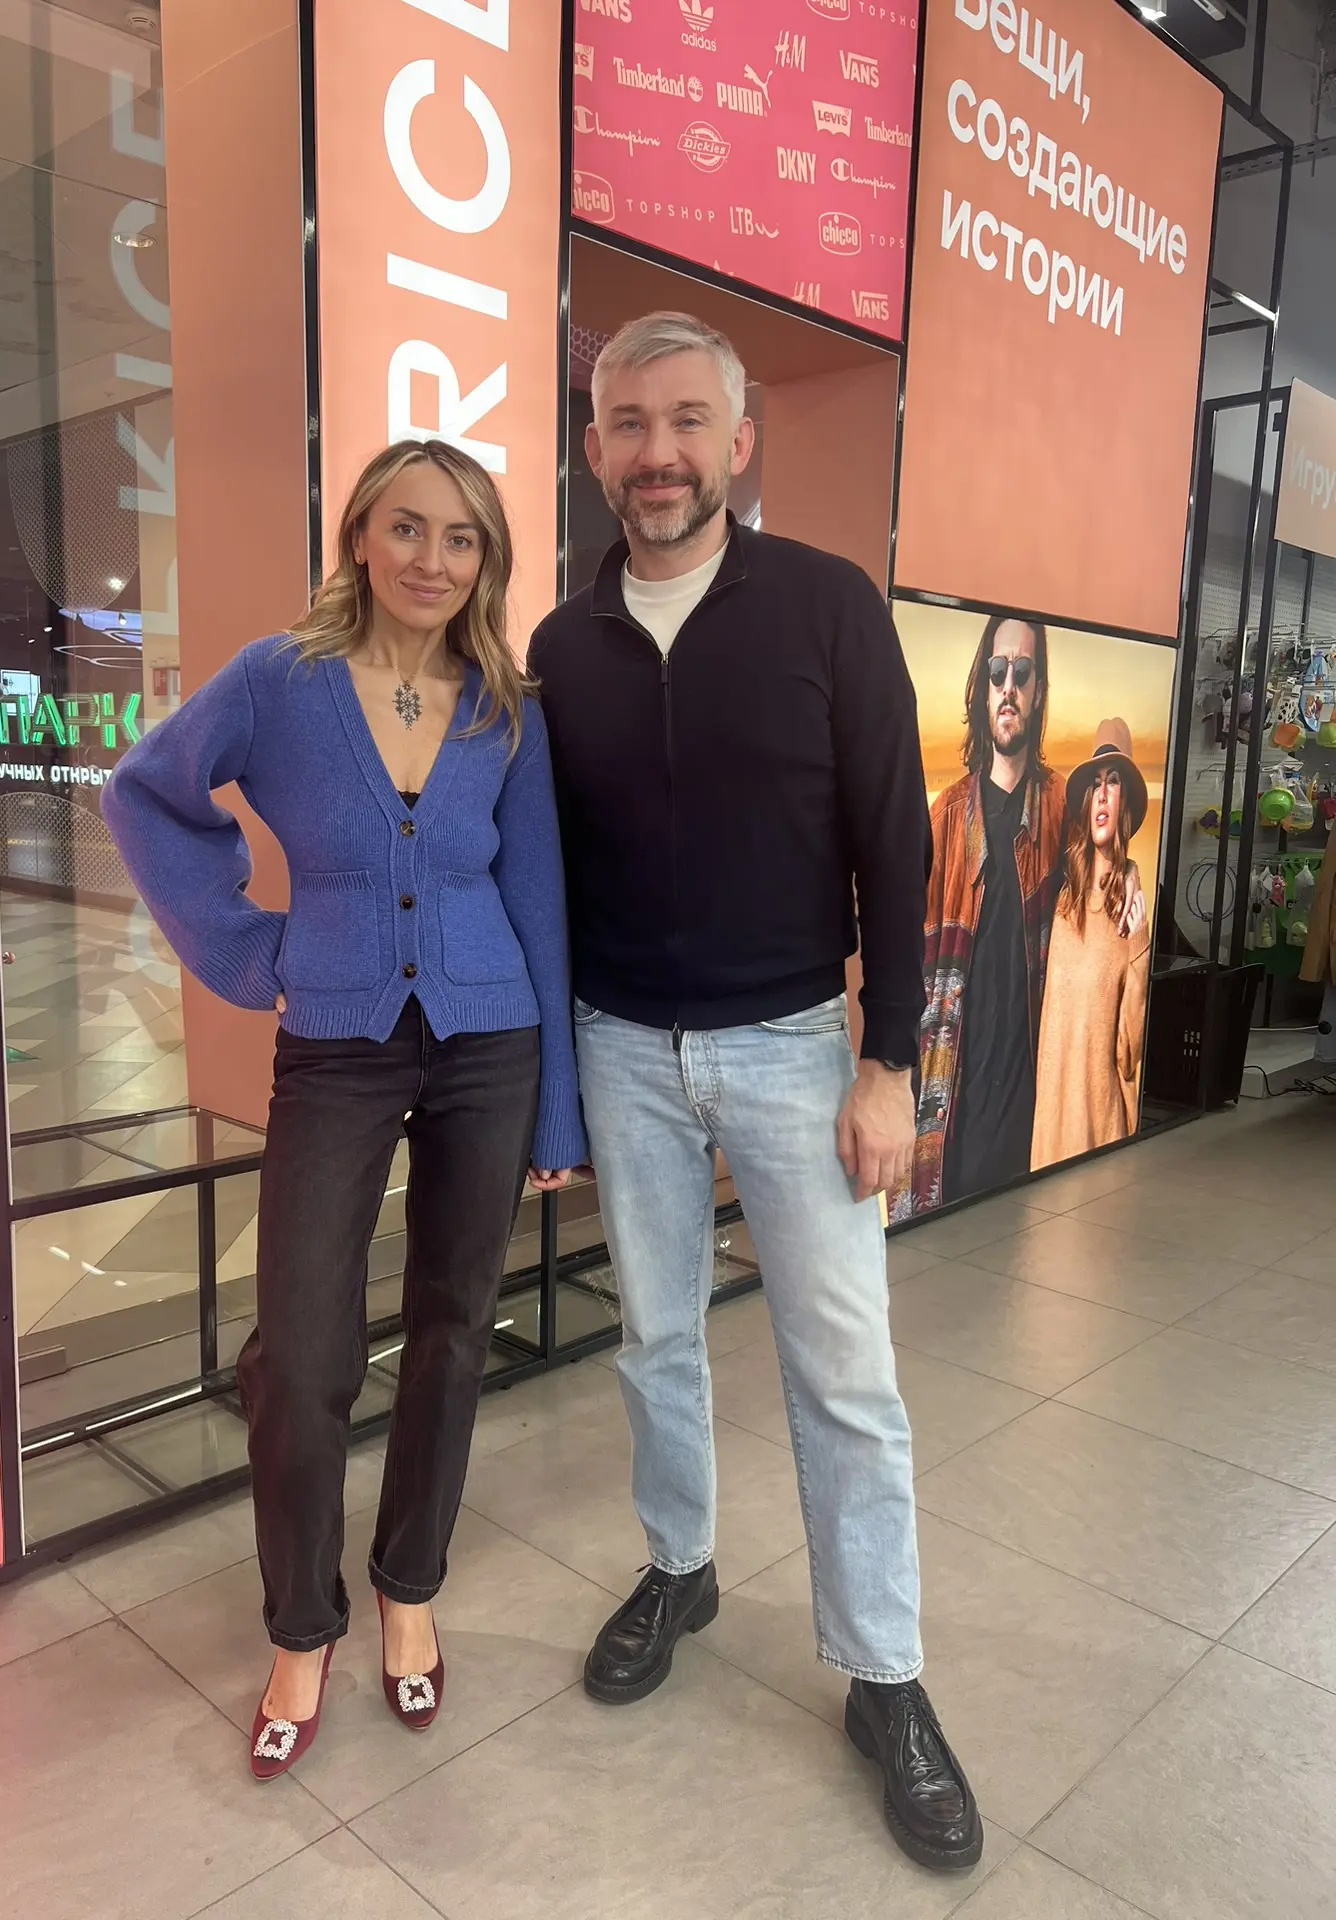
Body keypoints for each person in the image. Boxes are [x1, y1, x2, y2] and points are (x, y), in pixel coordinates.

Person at [529, 312, 983, 1873]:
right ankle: (682, 1565)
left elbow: (894, 836)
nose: (657, 453)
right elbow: (548, 878)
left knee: (844, 1373)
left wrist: (889, 1062)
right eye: (627, 424)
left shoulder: (826, 604)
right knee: (655, 1337)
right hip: (620, 1046)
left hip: (797, 1045)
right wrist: (552, 1085)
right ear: (596, 450)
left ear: (738, 440)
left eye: (686, 422)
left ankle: (885, 1673)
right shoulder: (563, 647)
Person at [102, 440, 585, 1779]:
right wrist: (250, 947)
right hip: (336, 1044)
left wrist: (557, 1114)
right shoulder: (281, 680)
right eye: (409, 528)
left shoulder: (506, 707)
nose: (434, 560)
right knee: (303, 1350)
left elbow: (539, 898)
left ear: (487, 561)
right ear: (360, 536)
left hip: (491, 1038)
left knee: (453, 1326)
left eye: (463, 538)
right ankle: (301, 1625)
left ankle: (408, 1589)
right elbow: (145, 794)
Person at [895, 616, 1066, 1218]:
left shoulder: (1062, 809)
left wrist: (1125, 879)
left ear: (1038, 691)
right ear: (984, 689)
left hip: (1029, 1108)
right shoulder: (945, 819)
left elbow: (1103, 871)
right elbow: (903, 956)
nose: (1008, 686)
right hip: (951, 1102)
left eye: (1022, 671)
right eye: (998, 672)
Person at [1031, 720, 1151, 1168]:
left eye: (1113, 782)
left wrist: (1139, 952)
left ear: (1126, 802)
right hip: (1050, 1125)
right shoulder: (1062, 901)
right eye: (1095, 784)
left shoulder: (1131, 915)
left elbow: (1129, 1052)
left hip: (1099, 1130)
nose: (1101, 794)